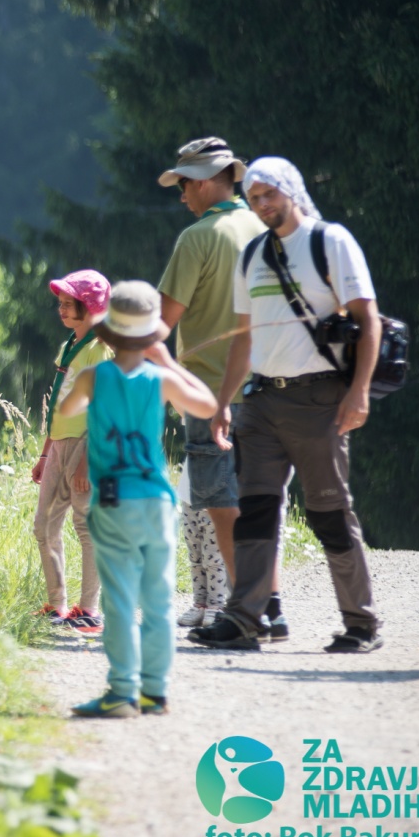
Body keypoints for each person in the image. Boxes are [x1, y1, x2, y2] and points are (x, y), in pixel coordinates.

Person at [193, 157, 383, 653]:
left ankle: (360, 624)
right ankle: (245, 620)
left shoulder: (330, 241)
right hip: (261, 402)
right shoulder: (252, 254)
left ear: (291, 191)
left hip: (320, 400)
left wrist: (359, 390)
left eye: (269, 194)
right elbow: (242, 339)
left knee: (329, 512)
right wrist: (224, 404)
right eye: (254, 197)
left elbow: (369, 320)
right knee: (254, 510)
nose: (262, 205)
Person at [58, 281, 218, 718]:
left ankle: (120, 692)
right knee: (158, 598)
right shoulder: (161, 379)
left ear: (108, 332)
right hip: (155, 499)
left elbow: (65, 411)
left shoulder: (95, 376)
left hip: (111, 498)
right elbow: (206, 405)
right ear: (153, 335)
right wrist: (167, 362)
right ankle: (154, 692)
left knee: (119, 599)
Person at [154, 137, 270, 628]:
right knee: (260, 501)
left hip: (208, 393)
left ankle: (242, 611)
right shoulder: (263, 226)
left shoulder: (197, 238)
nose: (181, 195)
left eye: (183, 185)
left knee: (221, 504)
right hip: (267, 388)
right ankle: (268, 605)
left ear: (204, 182)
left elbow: (160, 321)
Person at [30, 270, 113, 634]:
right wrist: (46, 452)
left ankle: (90, 610)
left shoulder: (103, 348)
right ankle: (57, 604)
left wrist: (86, 461)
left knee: (85, 525)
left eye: (69, 304)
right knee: (44, 524)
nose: (61, 310)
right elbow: (58, 402)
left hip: (85, 444)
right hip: (59, 443)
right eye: (60, 303)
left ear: (91, 305)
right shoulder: (70, 344)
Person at [176, 461, 229, 627]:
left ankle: (216, 605)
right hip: (189, 497)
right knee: (195, 557)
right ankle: (200, 604)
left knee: (214, 558)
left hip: (217, 499)